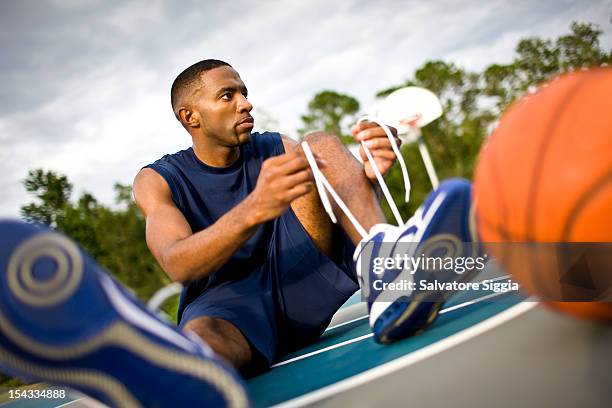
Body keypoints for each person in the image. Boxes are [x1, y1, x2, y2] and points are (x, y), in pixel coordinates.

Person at [0, 59, 478, 407]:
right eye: (227, 95)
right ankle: (156, 376)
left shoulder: (272, 147)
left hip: (301, 271)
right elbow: (176, 262)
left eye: (244, 91)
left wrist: (368, 175)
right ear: (191, 116)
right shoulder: (158, 180)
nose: (246, 102)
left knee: (317, 145)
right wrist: (254, 208)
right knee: (203, 349)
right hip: (229, 302)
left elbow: (331, 196)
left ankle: (391, 271)